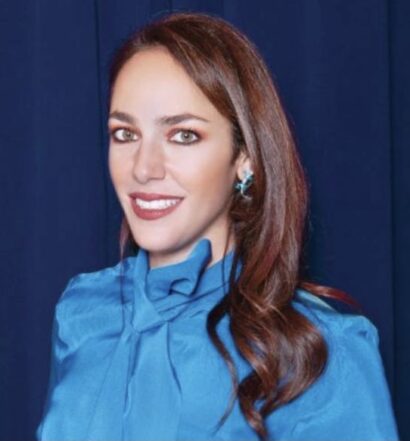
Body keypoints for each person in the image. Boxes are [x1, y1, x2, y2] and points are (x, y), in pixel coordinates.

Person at [36, 11, 398, 441]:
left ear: (244, 157)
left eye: (183, 135)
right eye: (125, 134)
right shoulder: (83, 311)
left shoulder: (322, 350)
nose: (144, 168)